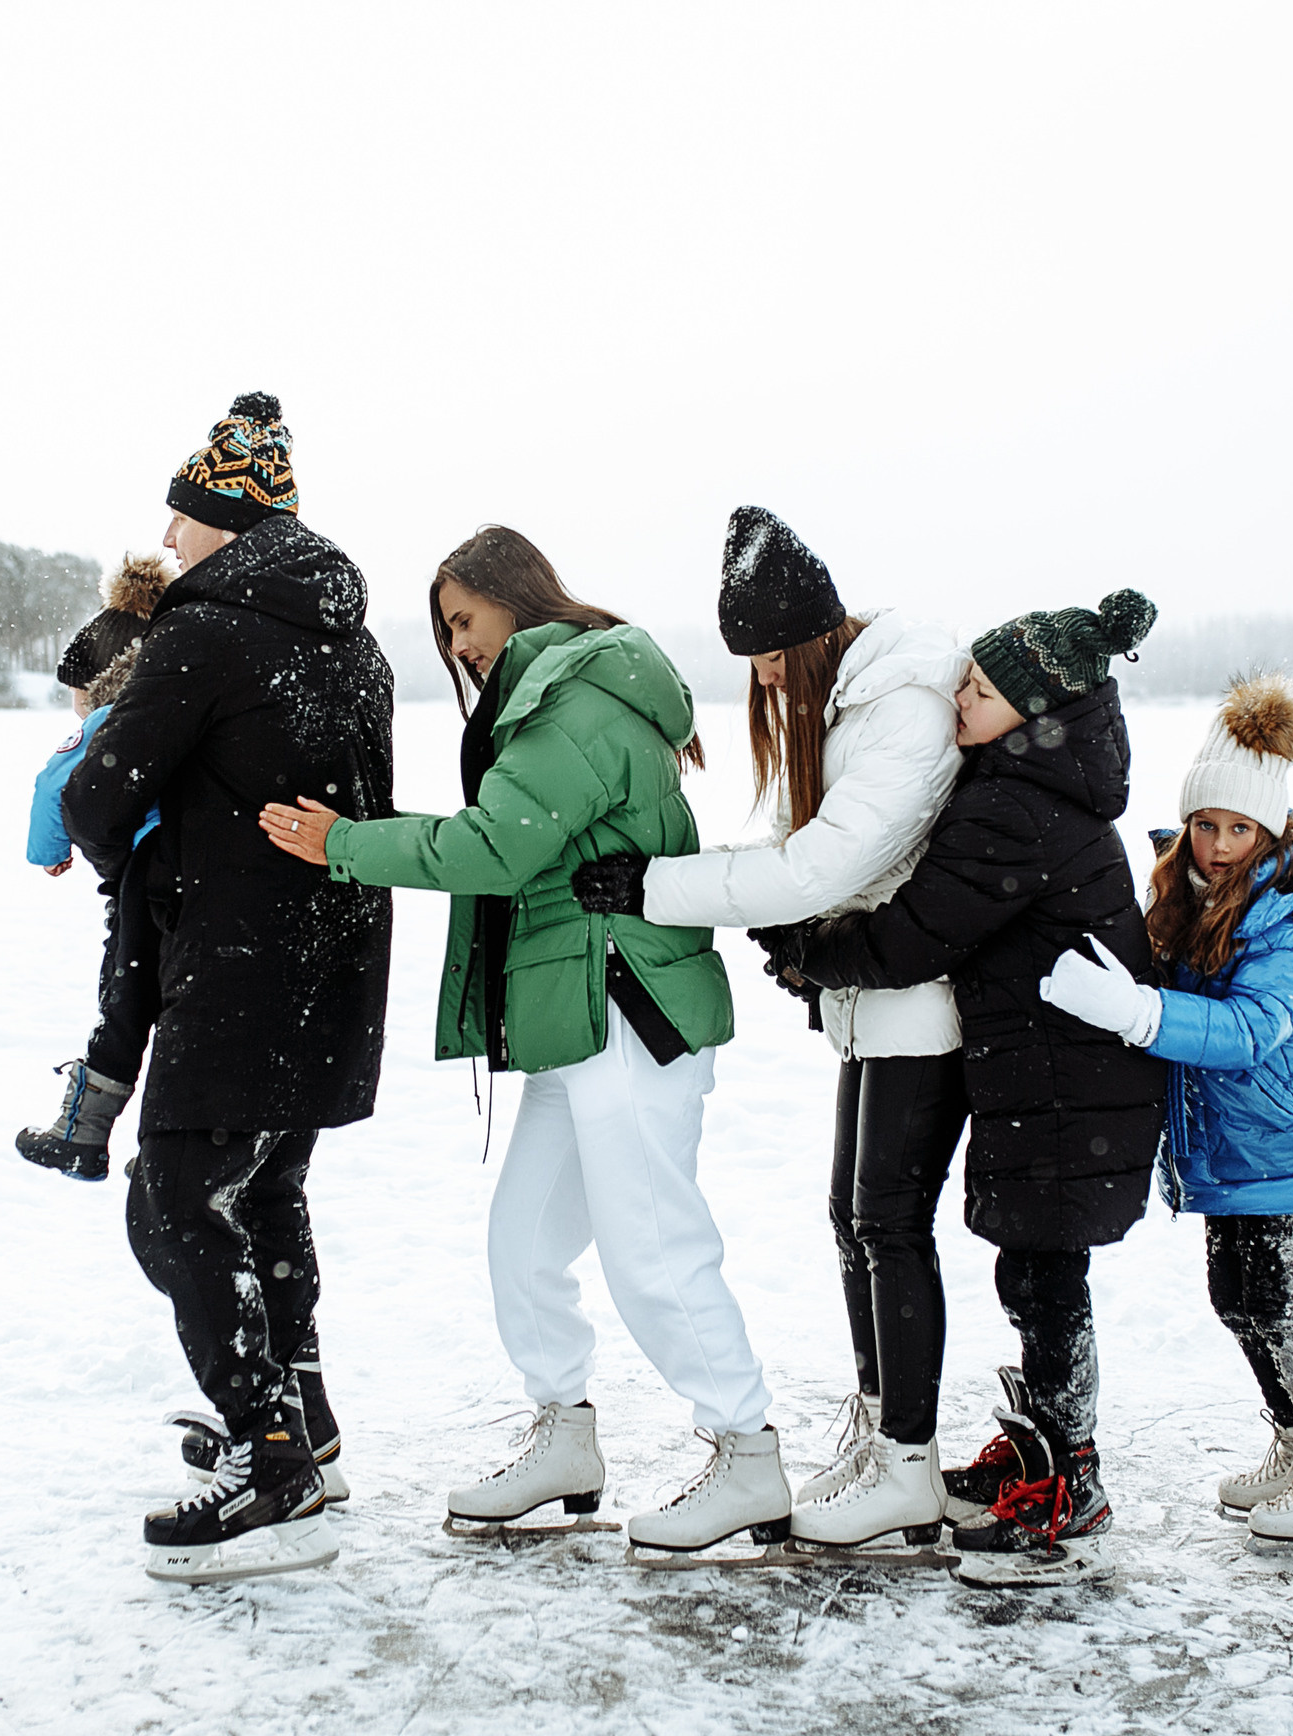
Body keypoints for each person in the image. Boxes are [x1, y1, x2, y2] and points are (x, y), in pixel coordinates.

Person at [259, 525, 791, 1557]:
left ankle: (746, 1451)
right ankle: (564, 1439)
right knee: (523, 1241)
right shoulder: (552, 697)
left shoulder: (573, 700)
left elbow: (494, 846)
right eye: (446, 629)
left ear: (515, 595)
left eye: (465, 617)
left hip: (625, 1007)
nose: (457, 644)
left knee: (652, 1243)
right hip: (573, 1016)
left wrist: (344, 844)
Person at [570, 506, 969, 1551]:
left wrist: (657, 887)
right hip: (873, 996)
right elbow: (790, 847)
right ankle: (883, 1431)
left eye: (771, 659)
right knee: (853, 1216)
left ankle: (909, 1459)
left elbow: (824, 864)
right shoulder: (843, 702)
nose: (764, 685)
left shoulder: (901, 704)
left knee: (887, 1221)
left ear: (815, 635)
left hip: (927, 998)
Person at [60, 393, 395, 1585]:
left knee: (174, 1202)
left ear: (221, 521)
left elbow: (97, 791)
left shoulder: (205, 629)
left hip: (238, 965)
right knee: (263, 1196)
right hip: (338, 967)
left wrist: (125, 864)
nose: (169, 534)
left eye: (181, 513)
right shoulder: (357, 638)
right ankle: (305, 1421)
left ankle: (269, 1457)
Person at [764, 590, 1165, 1582]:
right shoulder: (1031, 782)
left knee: (1043, 1277)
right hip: (1053, 1072)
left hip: (1066, 1082)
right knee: (1034, 1272)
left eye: (980, 689)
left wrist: (813, 945)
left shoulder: (1015, 804)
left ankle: (1070, 1477)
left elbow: (916, 933)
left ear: (1032, 710)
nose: (959, 696)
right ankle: (1048, 1449)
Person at [1039, 673, 1293, 1542]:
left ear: (1271, 832)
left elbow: (1251, 1029)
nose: (1220, 845)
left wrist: (1144, 1015)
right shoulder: (1182, 894)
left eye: (1238, 829)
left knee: (1282, 1304)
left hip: (1287, 1144)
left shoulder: (1285, 921)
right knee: (1238, 1298)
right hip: (1229, 1148)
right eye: (1206, 825)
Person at [15, 553, 172, 1180]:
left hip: (144, 874)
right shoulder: (180, 714)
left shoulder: (111, 720)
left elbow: (50, 785)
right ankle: (166, 1147)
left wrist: (49, 853)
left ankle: (83, 1131)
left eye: (79, 697)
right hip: (195, 873)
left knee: (124, 998)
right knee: (173, 1013)